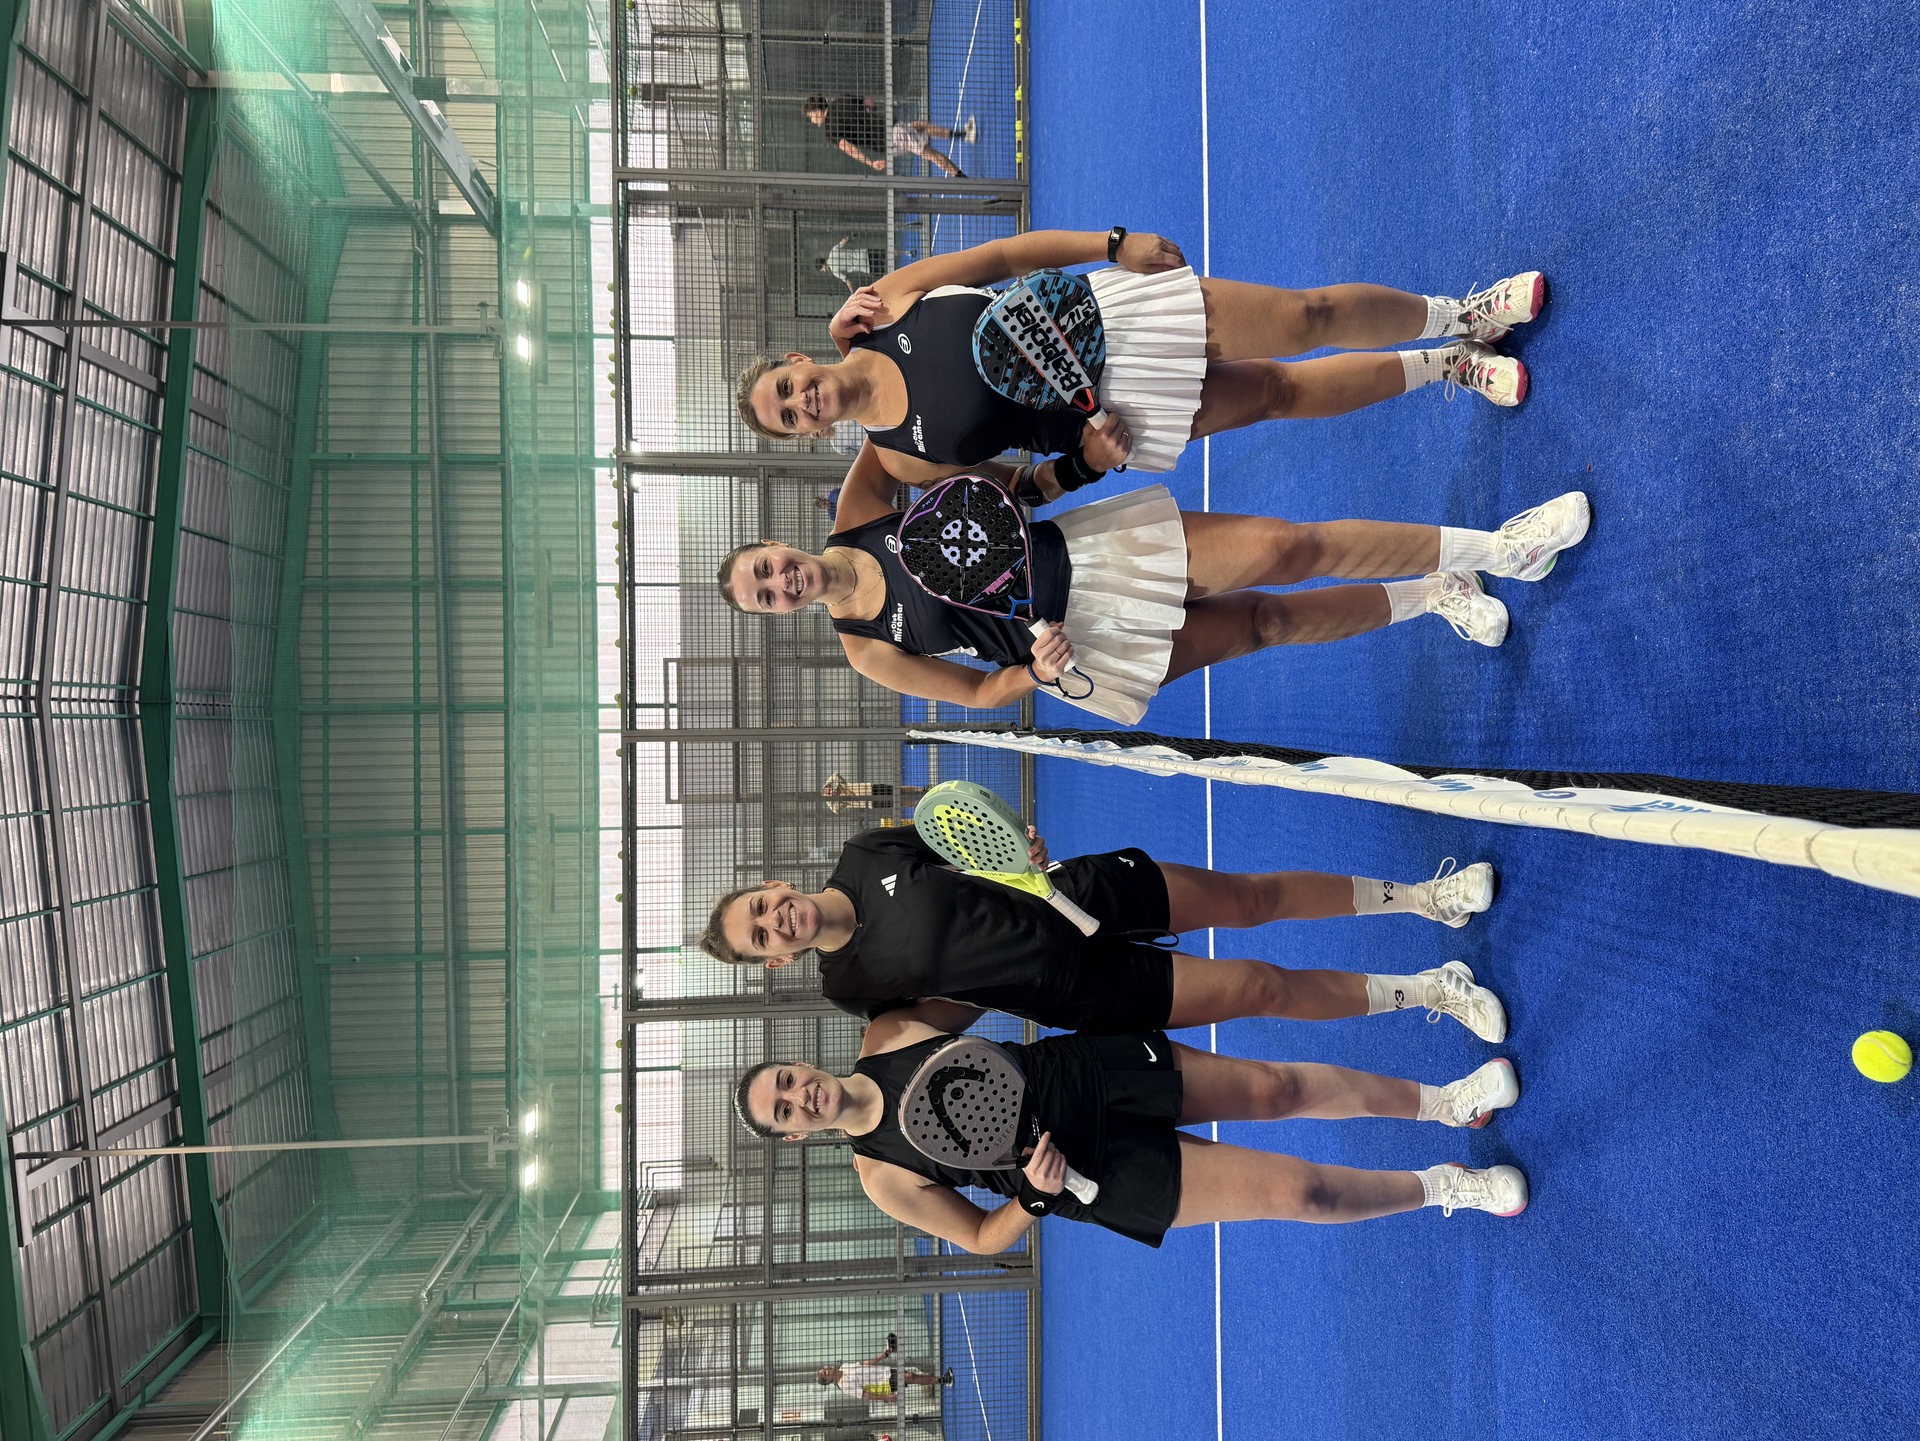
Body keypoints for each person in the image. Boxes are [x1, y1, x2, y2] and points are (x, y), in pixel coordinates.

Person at [717, 468, 1588, 723]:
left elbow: (907, 427)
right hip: (1084, 653)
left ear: (776, 542)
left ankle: (1501, 546)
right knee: (1265, 624)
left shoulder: (861, 505)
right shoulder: (866, 648)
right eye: (768, 597)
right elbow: (978, 691)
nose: (781, 581)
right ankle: (1437, 593)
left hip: (1094, 551)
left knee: (1288, 547)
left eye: (767, 566)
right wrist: (1036, 672)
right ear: (777, 615)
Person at [733, 1002, 1529, 1253]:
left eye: (786, 1080)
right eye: (784, 1110)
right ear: (795, 1135)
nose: (799, 1095)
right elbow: (978, 1236)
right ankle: (1443, 1187)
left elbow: (987, 980)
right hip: (1089, 1177)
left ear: (798, 1063)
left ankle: (1449, 1099)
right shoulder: (879, 1174)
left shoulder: (889, 1031)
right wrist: (1034, 1199)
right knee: (1302, 1194)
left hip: (1091, 1074)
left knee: (1277, 1086)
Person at [700, 825, 1507, 1039]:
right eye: (761, 938)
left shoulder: (864, 853)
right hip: (1076, 990)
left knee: (1250, 897)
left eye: (762, 909)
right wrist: (991, 978)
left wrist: (1022, 848)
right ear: (775, 961)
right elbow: (937, 1019)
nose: (775, 921)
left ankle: (1424, 896)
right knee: (1259, 987)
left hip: (1081, 892)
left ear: (774, 886)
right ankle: (1429, 991)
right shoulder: (849, 987)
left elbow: (965, 839)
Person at [804, 94, 974, 177]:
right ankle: (962, 178)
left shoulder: (829, 131)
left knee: (918, 126)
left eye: (811, 116)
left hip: (888, 144)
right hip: (891, 130)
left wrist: (870, 163)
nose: (812, 120)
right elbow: (870, 103)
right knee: (930, 153)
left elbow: (849, 148)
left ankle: (962, 134)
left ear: (817, 111)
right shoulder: (841, 100)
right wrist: (868, 114)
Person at [817, 1337, 951, 1400]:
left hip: (884, 1372)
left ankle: (941, 1380)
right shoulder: (844, 1385)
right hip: (883, 1384)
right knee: (909, 1377)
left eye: (825, 1368)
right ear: (829, 1380)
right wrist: (886, 1397)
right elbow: (865, 1394)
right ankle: (943, 1380)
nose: (828, 1368)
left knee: (911, 1376)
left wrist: (885, 1354)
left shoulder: (844, 1366)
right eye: (826, 1372)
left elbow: (866, 1363)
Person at [818, 236, 887, 294]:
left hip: (865, 266)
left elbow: (848, 281)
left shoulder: (835, 271)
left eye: (822, 269)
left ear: (823, 265)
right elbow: (845, 241)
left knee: (884, 273)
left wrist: (852, 293)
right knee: (886, 254)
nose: (824, 271)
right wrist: (851, 236)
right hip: (864, 254)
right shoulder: (833, 251)